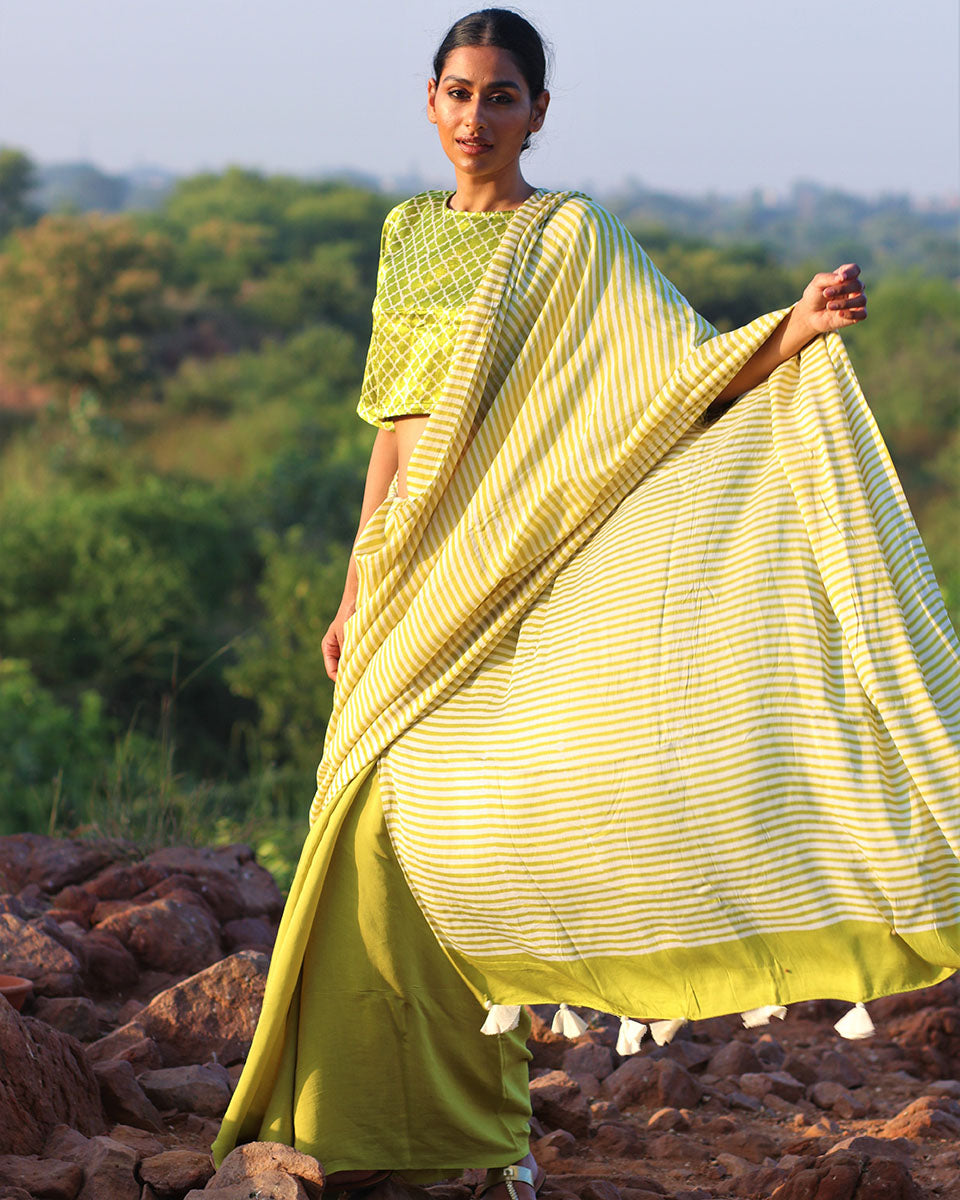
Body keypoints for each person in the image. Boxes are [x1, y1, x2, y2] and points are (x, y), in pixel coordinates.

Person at [213, 10, 960, 1199]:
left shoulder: (573, 239)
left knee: (466, 832)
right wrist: (358, 583)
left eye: (501, 97)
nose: (476, 118)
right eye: (458, 94)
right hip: (409, 573)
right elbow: (394, 436)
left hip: (505, 561)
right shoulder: (408, 235)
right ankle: (355, 1127)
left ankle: (482, 1134)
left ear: (539, 113)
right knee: (365, 835)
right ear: (428, 101)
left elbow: (669, 379)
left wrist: (791, 330)